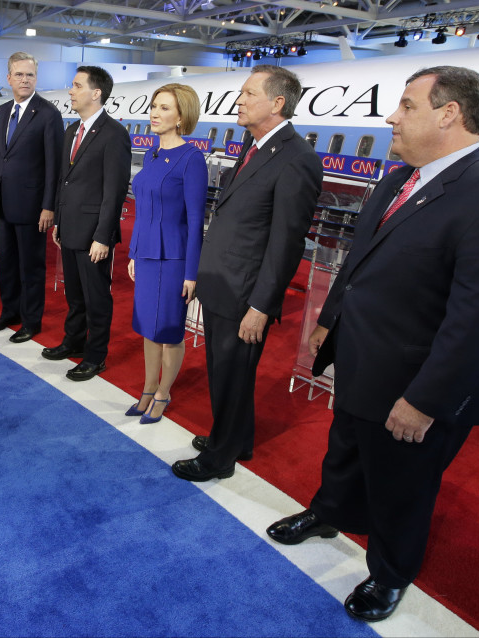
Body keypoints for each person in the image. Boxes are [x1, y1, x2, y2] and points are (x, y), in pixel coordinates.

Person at [266, 66, 479, 623]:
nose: (392, 117)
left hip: (418, 379)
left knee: (403, 485)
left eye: (407, 106)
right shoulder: (400, 180)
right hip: (363, 356)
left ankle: (390, 572)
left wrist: (426, 401)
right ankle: (329, 512)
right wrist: (331, 321)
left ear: (450, 114)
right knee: (345, 449)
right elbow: (361, 260)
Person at [171, 65, 322, 482]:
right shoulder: (255, 147)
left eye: (248, 94)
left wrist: (261, 305)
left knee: (233, 376)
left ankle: (219, 459)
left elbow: (286, 242)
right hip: (224, 283)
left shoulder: (297, 158)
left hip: (245, 294)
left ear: (277, 103)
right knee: (226, 372)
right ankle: (238, 439)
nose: (238, 101)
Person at [41, 66, 131, 381]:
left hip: (94, 234)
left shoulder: (114, 133)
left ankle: (96, 356)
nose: (70, 91)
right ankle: (74, 341)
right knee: (74, 295)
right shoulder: (71, 131)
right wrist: (59, 221)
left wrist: (103, 237)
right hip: (70, 228)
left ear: (96, 93)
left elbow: (114, 191)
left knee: (96, 298)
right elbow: (65, 181)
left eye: (77, 85)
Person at [125, 83, 206, 423]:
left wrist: (191, 273)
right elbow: (142, 210)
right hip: (145, 254)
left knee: (169, 330)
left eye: (164, 108)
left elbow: (196, 220)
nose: (155, 113)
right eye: (154, 106)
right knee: (147, 327)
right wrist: (133, 252)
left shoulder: (192, 159)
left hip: (173, 259)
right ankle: (147, 388)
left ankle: (163, 392)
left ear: (181, 117)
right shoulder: (152, 154)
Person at [0, 52, 64, 343]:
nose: (25, 79)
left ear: (36, 78)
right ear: (8, 79)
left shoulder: (48, 114)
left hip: (32, 208)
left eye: (30, 74)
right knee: (6, 262)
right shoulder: (5, 110)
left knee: (31, 267)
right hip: (3, 203)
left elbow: (54, 166)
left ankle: (31, 321)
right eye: (19, 74)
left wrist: (48, 207)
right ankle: (10, 312)